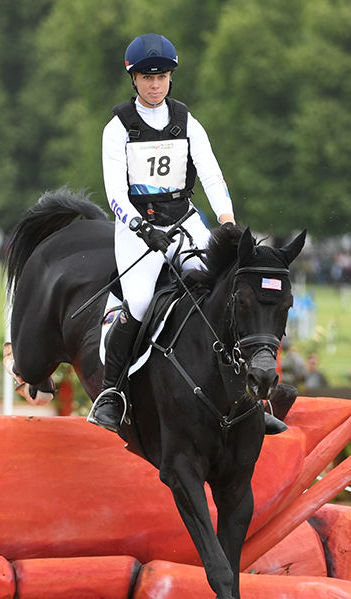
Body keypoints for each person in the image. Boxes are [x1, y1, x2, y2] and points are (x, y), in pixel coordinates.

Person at [90, 33, 239, 432]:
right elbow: (114, 192)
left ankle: (243, 389)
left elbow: (210, 173)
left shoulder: (187, 120)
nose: (155, 84)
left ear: (171, 78)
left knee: (221, 286)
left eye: (162, 77)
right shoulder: (117, 127)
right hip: (136, 224)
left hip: (183, 219)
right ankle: (112, 392)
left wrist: (226, 221)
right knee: (138, 301)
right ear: (133, 79)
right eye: (146, 77)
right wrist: (140, 227)